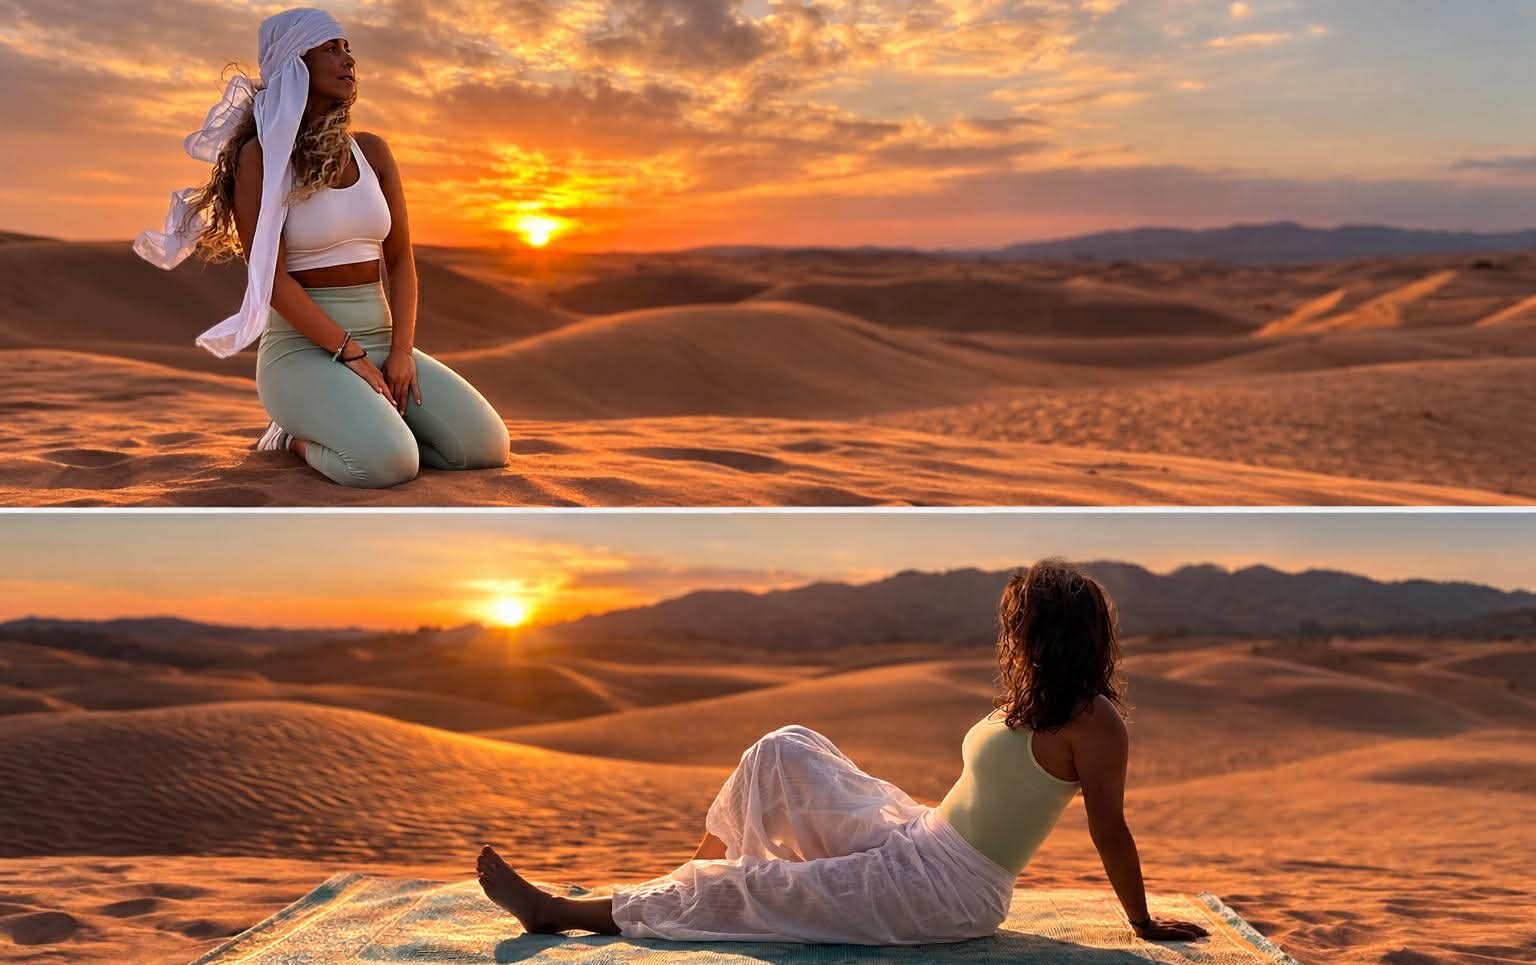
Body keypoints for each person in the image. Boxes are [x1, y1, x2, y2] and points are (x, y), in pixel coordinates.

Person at [474, 559, 1211, 946]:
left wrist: (1141, 921)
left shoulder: (1097, 723)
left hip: (948, 893)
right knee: (782, 749)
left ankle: (559, 911)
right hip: (918, 834)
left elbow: (1108, 830)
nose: (1012, 640)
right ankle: (692, 875)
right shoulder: (1030, 699)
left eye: (1021, 626)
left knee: (758, 891)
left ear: (1050, 634)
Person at [135, 8, 509, 488]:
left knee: (484, 448)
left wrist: (401, 353)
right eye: (330, 48)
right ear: (295, 64)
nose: (348, 58)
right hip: (303, 350)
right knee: (387, 465)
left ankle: (372, 423)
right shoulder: (261, 157)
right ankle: (290, 437)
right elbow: (268, 277)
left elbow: (400, 261)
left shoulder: (372, 152)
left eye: (348, 47)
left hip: (381, 342)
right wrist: (348, 352)